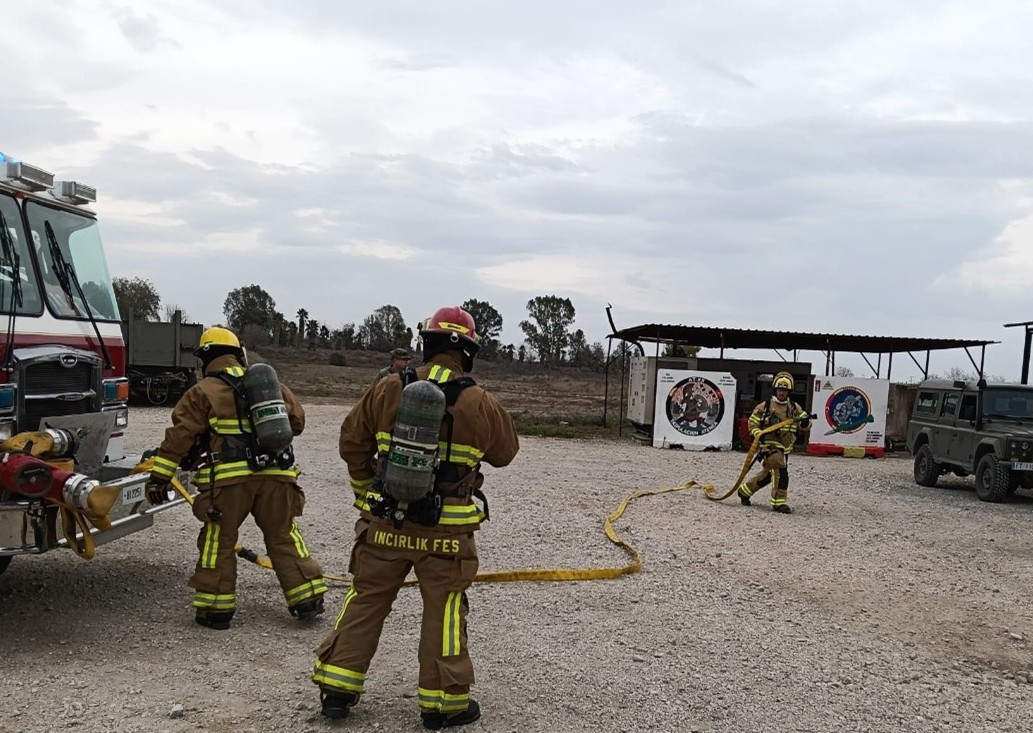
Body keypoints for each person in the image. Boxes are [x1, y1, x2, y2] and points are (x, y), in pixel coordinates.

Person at [312, 306, 520, 728]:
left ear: (426, 344)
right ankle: (443, 704)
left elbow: (352, 443)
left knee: (366, 599)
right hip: (446, 533)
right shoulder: (480, 401)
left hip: (386, 524)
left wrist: (367, 494)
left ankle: (336, 689)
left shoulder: (389, 387)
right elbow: (505, 454)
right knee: (443, 611)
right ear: (468, 352)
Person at [145, 326, 328, 629]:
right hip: (277, 475)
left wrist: (159, 478)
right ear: (238, 353)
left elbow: (179, 439)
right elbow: (296, 423)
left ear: (205, 359)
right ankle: (307, 597)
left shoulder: (202, 392)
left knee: (219, 538)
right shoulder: (271, 386)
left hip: (230, 482)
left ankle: (215, 610)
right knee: (283, 535)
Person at [737, 371, 810, 514]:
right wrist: (759, 434)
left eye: (785, 390)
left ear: (789, 391)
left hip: (785, 448)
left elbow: (804, 425)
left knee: (768, 476)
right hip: (769, 446)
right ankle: (779, 503)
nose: (782, 393)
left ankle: (744, 491)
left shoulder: (795, 408)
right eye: (780, 389)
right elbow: (752, 423)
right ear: (775, 390)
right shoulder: (765, 407)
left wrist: (806, 422)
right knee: (781, 473)